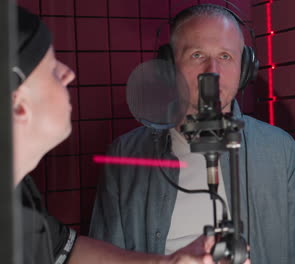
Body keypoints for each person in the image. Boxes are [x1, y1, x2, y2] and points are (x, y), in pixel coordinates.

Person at [89, 4, 295, 264]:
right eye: (197, 55)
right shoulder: (125, 155)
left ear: (244, 68)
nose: (211, 72)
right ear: (169, 66)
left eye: (225, 56)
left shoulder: (280, 151)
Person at [10, 6, 215, 264]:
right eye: (51, 68)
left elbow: (65, 251)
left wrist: (168, 262)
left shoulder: (19, 199)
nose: (68, 73)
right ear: (18, 105)